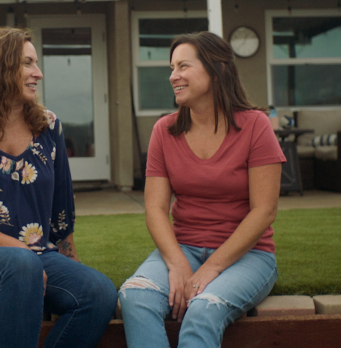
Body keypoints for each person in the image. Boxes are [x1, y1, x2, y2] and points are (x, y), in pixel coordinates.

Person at [0, 27, 117, 348]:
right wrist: (21, 252)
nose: (38, 73)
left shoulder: (48, 125)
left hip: (34, 257)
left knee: (98, 293)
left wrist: (70, 263)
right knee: (23, 265)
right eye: (27, 63)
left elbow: (61, 209)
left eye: (37, 63)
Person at [118, 31, 286, 348]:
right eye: (172, 68)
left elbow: (264, 210)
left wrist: (210, 270)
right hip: (185, 248)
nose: (173, 76)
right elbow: (155, 209)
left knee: (202, 308)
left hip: (249, 256)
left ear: (217, 70)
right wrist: (179, 264)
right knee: (135, 295)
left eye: (183, 66)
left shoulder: (255, 125)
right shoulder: (164, 130)